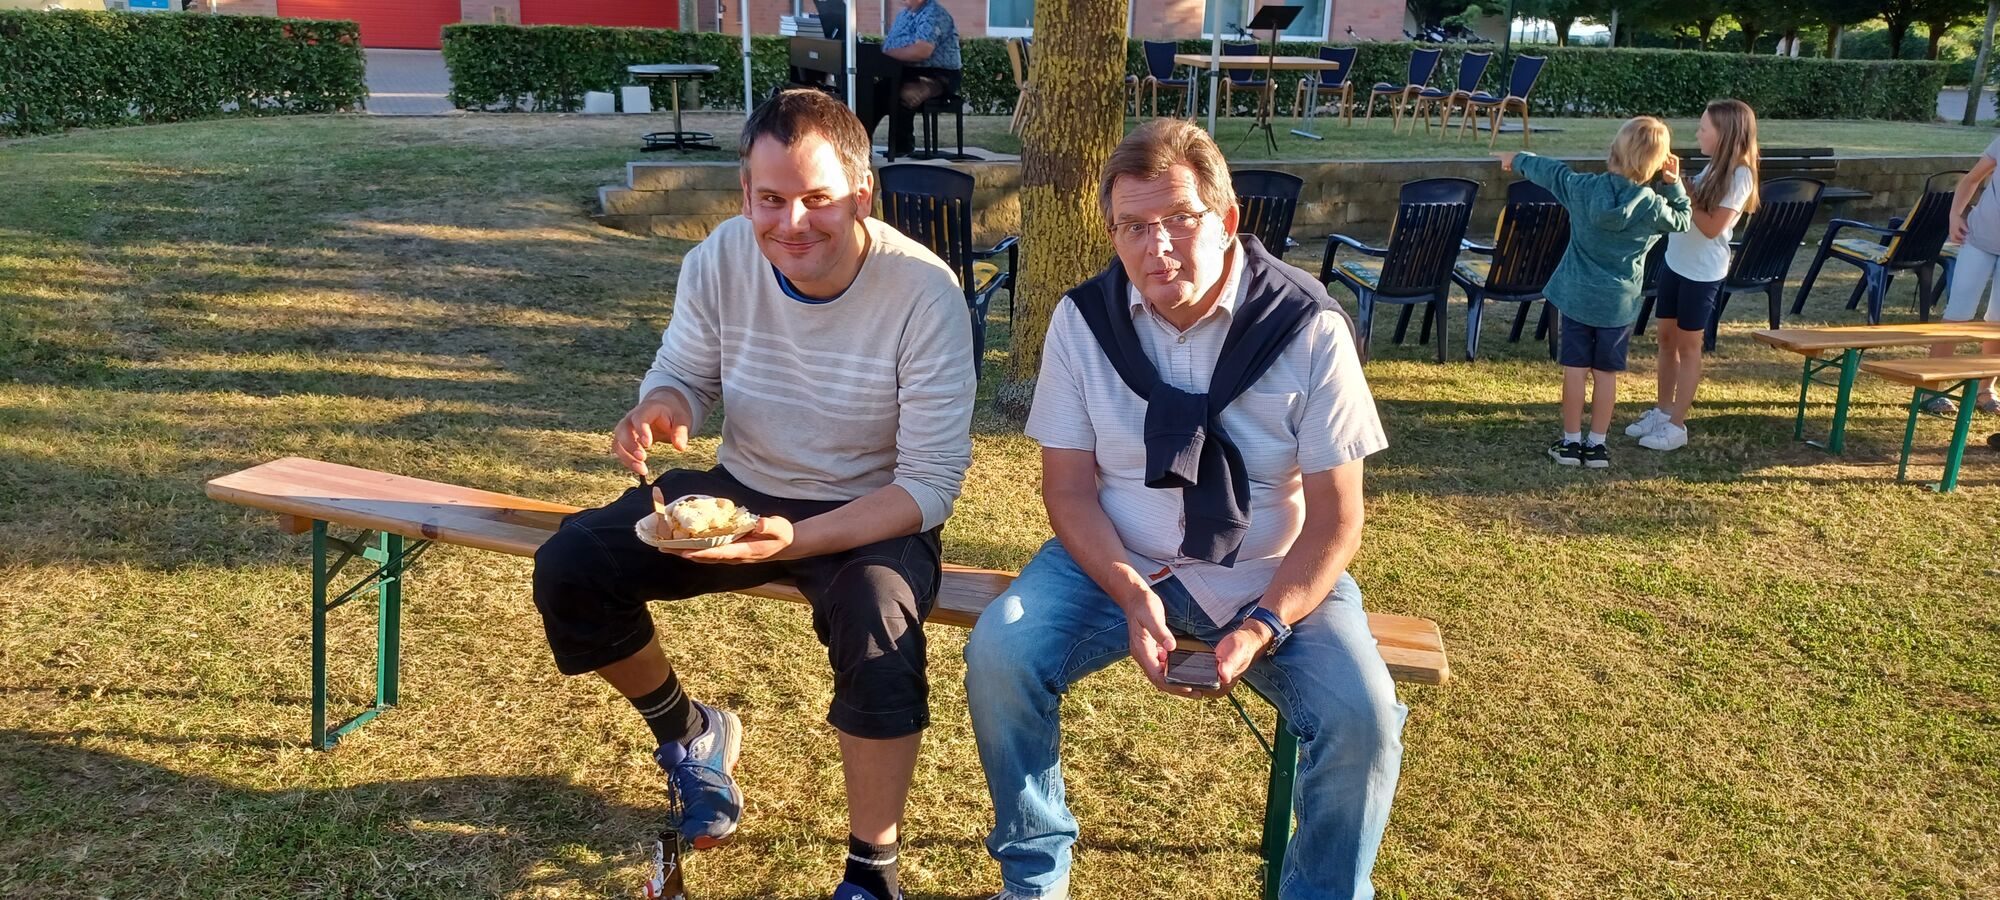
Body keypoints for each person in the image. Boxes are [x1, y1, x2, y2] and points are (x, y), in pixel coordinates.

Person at [530, 88, 976, 900]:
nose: (792, 223)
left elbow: (930, 483)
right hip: (743, 489)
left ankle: (871, 875)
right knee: (572, 564)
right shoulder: (721, 256)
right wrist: (663, 404)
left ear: (862, 195)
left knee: (878, 621)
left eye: (817, 199)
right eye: (770, 198)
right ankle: (691, 734)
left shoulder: (924, 290)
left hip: (868, 507)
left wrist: (797, 539)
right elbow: (685, 372)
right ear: (744, 194)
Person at [962, 119, 1403, 900]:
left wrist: (1264, 625)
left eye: (1179, 219)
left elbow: (1337, 520)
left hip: (1269, 573)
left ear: (1227, 220)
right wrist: (1130, 592)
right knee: (1001, 654)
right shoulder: (1083, 321)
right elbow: (1068, 490)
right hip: (1116, 561)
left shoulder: (1308, 327)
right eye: (1132, 226)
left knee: (1363, 717)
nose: (1156, 247)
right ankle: (1033, 879)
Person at [1497, 117, 1692, 469]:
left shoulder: (1583, 188)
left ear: (1612, 151)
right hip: (1617, 304)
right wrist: (1673, 184)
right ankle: (1597, 445)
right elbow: (1682, 219)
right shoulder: (1652, 206)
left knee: (1575, 369)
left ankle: (1571, 442)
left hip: (1577, 297)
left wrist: (1519, 158)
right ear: (1657, 163)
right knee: (1605, 374)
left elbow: (1553, 173)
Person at [1629, 99, 1760, 452]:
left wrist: (1685, 192)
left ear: (1725, 134)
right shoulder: (1713, 166)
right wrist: (1675, 184)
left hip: (1702, 274)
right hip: (1676, 262)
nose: (1698, 133)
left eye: (1704, 128)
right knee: (1665, 340)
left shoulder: (1740, 175)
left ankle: (1677, 425)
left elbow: (1712, 227)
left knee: (1688, 347)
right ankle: (1662, 411)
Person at [1922, 133, 2000, 415]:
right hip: (1977, 239)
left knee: (1998, 321)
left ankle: (1986, 390)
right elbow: (1971, 179)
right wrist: (1955, 215)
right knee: (1958, 312)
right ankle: (1931, 388)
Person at [871, 0, 962, 158]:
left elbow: (922, 51)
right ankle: (861, 144)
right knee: (872, 94)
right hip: (906, 71)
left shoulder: (933, 13)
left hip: (939, 75)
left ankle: (903, 146)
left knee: (906, 94)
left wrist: (885, 55)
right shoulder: (903, 15)